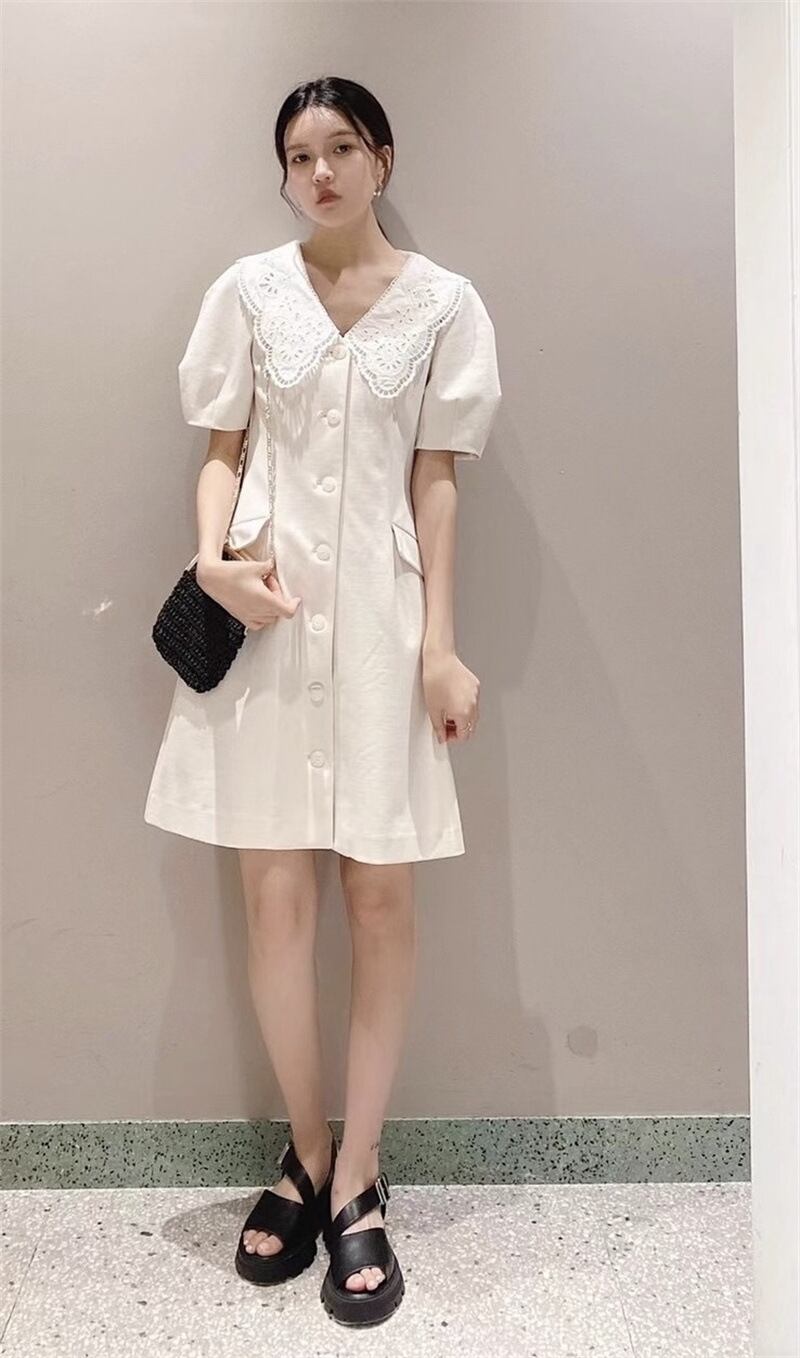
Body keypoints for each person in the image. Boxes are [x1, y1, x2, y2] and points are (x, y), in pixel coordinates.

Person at [144, 75, 502, 1328]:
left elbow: (436, 481)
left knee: (380, 893)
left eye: (341, 147)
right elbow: (221, 447)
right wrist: (209, 561)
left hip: (382, 633)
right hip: (265, 615)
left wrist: (439, 647)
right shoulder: (249, 291)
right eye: (299, 156)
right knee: (275, 895)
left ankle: (360, 1172)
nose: (321, 173)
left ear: (381, 156)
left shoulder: (443, 303)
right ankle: (303, 1151)